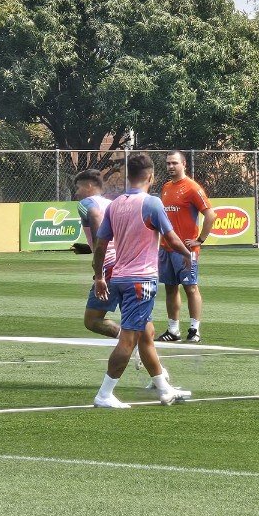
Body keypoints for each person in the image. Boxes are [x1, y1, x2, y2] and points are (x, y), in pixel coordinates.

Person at [91, 154, 194, 409]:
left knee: (146, 334)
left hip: (119, 278)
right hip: (141, 281)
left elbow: (101, 245)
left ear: (128, 176)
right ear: (151, 176)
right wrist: (187, 254)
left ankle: (164, 388)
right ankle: (104, 394)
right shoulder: (152, 203)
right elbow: (170, 238)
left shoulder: (114, 205)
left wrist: (100, 276)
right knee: (129, 339)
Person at [156, 150, 216, 343]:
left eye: (174, 163)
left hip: (186, 250)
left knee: (191, 287)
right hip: (166, 247)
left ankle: (194, 329)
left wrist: (200, 239)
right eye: (168, 163)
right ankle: (173, 330)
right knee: (170, 288)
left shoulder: (192, 187)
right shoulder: (166, 187)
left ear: (183, 164)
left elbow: (211, 214)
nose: (170, 167)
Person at [75, 169, 120, 338]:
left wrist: (98, 245)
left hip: (108, 265)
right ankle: (146, 349)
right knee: (134, 318)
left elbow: (95, 215)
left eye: (78, 188)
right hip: (125, 264)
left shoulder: (86, 203)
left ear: (89, 185)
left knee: (92, 320)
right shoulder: (112, 204)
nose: (77, 193)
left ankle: (130, 340)